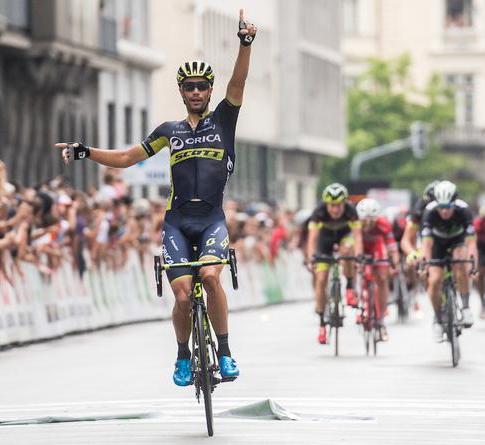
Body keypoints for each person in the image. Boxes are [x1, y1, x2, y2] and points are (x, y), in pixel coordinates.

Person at [55, 9, 257, 386]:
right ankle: (183, 356)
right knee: (182, 296)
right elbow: (128, 158)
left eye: (202, 86)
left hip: (212, 219)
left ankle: (225, 352)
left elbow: (239, 81)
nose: (196, 92)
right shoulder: (170, 131)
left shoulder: (223, 120)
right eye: (189, 87)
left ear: (209, 90)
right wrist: (87, 151)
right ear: (181, 92)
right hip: (177, 222)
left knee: (212, 279)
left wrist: (245, 43)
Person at [305, 183, 363, 345]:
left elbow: (358, 237)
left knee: (348, 250)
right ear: (326, 204)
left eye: (338, 206)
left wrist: (358, 255)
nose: (335, 210)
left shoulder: (351, 211)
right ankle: (322, 323)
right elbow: (313, 238)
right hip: (325, 240)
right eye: (332, 206)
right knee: (321, 278)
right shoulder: (319, 212)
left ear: (344, 203)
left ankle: (350, 286)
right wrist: (311, 257)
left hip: (345, 237)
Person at [420, 181, 477, 342]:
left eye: (448, 207)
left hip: (457, 241)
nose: (444, 211)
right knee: (435, 280)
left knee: (461, 261)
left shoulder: (464, 210)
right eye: (441, 207)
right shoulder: (429, 211)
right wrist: (425, 262)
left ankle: (465, 308)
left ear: (454, 203)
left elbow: (471, 242)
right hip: (437, 243)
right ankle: (438, 320)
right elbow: (427, 243)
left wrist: (472, 262)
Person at [356, 198, 400, 341]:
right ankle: (358, 299)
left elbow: (392, 248)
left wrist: (394, 262)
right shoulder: (354, 224)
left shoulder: (383, 224)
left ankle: (380, 319)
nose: (368, 224)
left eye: (371, 220)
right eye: (365, 220)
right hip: (360, 248)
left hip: (376, 248)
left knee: (382, 278)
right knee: (355, 268)